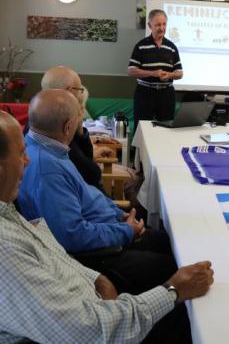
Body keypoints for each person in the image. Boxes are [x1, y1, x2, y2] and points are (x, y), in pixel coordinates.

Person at [0, 110, 214, 343]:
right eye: (21, 154)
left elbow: (56, 256)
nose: (27, 161)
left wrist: (98, 279)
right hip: (100, 322)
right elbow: (87, 331)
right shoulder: (5, 249)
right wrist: (173, 291)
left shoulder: (7, 209)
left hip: (98, 299)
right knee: (196, 315)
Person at [17, 89, 177, 297]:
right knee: (175, 263)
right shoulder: (46, 170)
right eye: (79, 117)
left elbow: (87, 193)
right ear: (68, 127)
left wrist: (120, 215)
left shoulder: (48, 148)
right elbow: (72, 236)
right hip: (98, 255)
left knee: (172, 242)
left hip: (111, 228)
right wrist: (125, 231)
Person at [40, 66, 104, 191]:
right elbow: (91, 174)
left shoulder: (43, 117)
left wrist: (80, 131)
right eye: (80, 90)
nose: (81, 94)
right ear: (69, 91)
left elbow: (86, 159)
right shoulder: (57, 125)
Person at [128, 9, 183, 129]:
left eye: (164, 24)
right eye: (158, 25)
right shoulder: (140, 45)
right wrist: (153, 73)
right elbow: (131, 70)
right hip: (144, 93)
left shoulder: (172, 47)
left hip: (166, 94)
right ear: (150, 25)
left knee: (166, 129)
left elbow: (179, 73)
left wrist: (170, 75)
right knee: (142, 128)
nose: (161, 28)